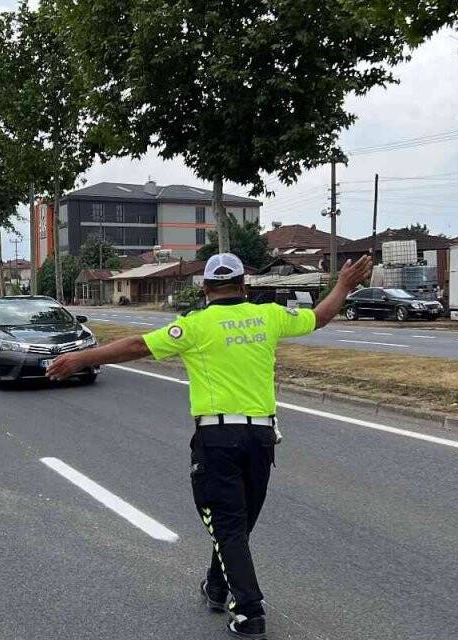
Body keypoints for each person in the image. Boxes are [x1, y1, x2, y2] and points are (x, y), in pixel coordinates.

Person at [46, 252, 372, 639]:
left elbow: (137, 346)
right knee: (237, 524)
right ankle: (217, 587)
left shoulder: (195, 325)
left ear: (204, 289)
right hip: (262, 439)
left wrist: (81, 358)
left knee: (228, 525)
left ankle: (249, 611)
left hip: (218, 440)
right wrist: (343, 286)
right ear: (244, 285)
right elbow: (319, 317)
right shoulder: (267, 316)